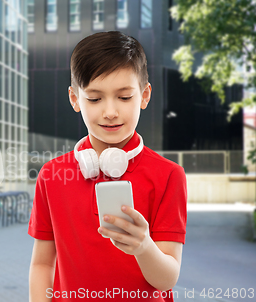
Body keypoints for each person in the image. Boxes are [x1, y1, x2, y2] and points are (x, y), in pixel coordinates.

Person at [28, 31, 187, 302]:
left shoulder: (168, 175)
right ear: (75, 99)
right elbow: (43, 263)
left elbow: (167, 279)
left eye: (124, 97)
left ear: (145, 96)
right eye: (94, 98)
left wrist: (143, 246)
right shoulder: (51, 175)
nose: (110, 112)